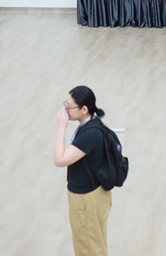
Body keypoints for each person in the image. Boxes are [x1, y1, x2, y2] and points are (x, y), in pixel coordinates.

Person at [54, 86, 111, 256]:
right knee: (91, 243)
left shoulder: (90, 134)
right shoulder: (92, 124)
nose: (66, 110)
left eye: (69, 106)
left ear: (84, 109)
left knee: (89, 247)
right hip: (92, 194)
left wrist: (61, 128)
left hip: (87, 198)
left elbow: (60, 160)